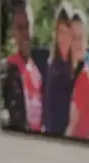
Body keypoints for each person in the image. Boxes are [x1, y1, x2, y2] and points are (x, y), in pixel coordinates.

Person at [2, 0, 45, 131]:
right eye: (20, 28)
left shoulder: (37, 70)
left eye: (27, 26)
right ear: (13, 32)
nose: (24, 34)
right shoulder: (7, 70)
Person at [44, 3, 74, 135]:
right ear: (56, 34)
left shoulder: (78, 66)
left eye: (68, 32)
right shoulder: (51, 67)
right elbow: (49, 112)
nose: (64, 38)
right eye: (61, 31)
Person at [67, 9, 89, 137]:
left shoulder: (86, 73)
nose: (78, 43)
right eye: (74, 38)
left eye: (81, 37)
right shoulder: (68, 70)